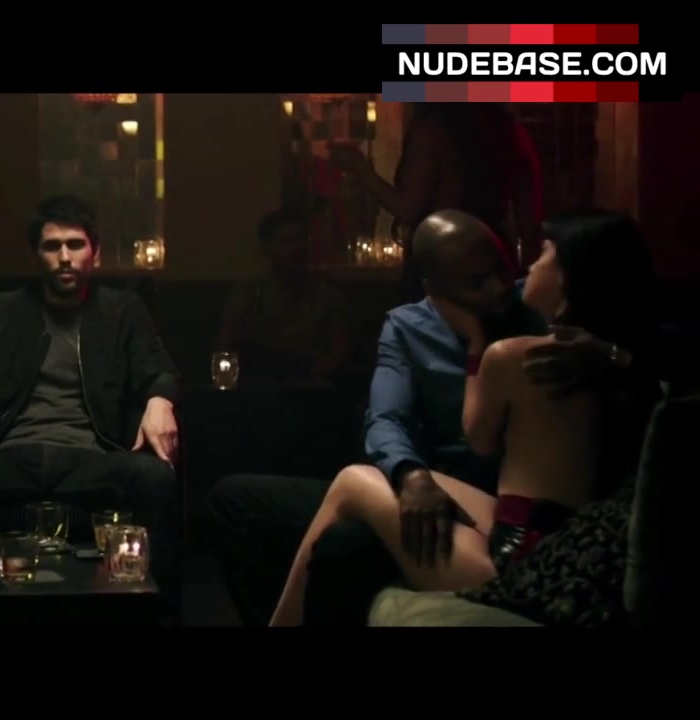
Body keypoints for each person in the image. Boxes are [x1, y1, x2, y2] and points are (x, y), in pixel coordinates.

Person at [268, 209, 659, 626]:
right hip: (476, 497)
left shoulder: (542, 313)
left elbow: (481, 438)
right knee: (307, 513)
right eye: (476, 282)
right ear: (435, 290)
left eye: (503, 269)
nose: (499, 287)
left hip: (539, 532)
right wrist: (411, 475)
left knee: (348, 502)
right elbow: (385, 418)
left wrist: (613, 355)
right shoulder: (408, 327)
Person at [0, 194, 183, 602]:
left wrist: (161, 399)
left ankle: (155, 611)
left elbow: (159, 367)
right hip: (11, 456)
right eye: (52, 246)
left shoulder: (122, 311)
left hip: (89, 457)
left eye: (75, 245)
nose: (65, 257)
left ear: (94, 252)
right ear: (36, 254)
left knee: (156, 477)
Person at [328, 103, 543, 302]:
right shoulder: (509, 130)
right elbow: (530, 224)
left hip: (442, 262)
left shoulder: (432, 129)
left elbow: (408, 208)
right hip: (495, 261)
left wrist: (360, 168)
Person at [216, 206, 349, 383]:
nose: (297, 248)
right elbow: (226, 348)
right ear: (268, 248)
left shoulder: (328, 298)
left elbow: (339, 353)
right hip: (260, 384)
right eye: (287, 241)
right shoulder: (249, 294)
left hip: (309, 385)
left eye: (301, 240)